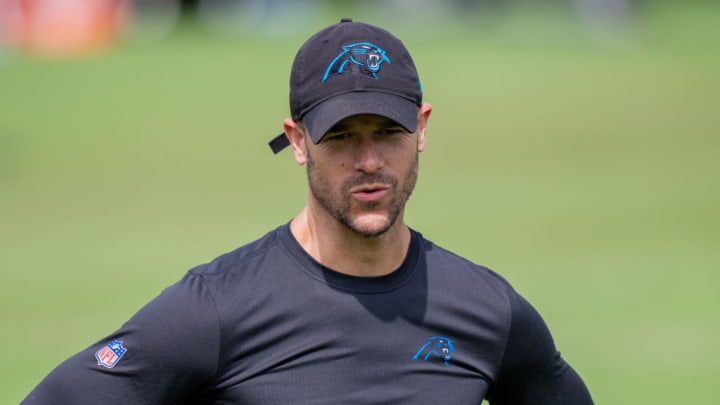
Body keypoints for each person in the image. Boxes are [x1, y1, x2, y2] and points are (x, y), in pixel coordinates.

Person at [22, 18, 593, 404]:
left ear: (421, 129)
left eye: (388, 132)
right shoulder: (213, 312)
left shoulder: (489, 311)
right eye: (341, 137)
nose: (369, 161)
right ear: (297, 141)